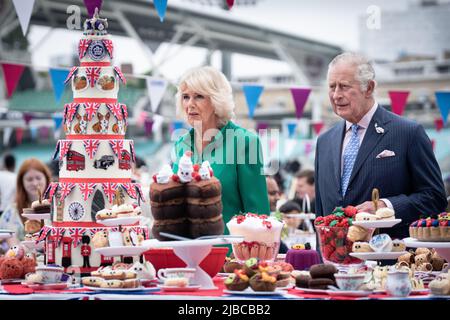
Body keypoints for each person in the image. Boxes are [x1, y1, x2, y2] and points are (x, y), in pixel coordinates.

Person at [315, 52, 447, 239]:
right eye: (332, 87)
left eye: (344, 86)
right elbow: (320, 211)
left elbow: (434, 197)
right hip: (336, 261)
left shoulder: (408, 133)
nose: (336, 95)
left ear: (368, 88)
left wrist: (385, 205)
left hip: (389, 260)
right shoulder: (324, 141)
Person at [172, 66, 270, 233]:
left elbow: (258, 215)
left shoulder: (244, 141)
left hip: (229, 254)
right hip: (185, 251)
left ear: (217, 100)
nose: (190, 104)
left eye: (199, 96)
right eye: (185, 97)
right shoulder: (181, 144)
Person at [0, 158, 51, 250]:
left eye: (38, 178)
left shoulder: (57, 208)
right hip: (22, 261)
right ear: (21, 182)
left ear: (46, 179)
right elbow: (10, 243)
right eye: (29, 179)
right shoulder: (12, 211)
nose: (35, 183)